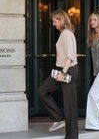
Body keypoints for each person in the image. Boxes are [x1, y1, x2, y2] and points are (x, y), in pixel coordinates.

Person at [38, 9, 79, 139]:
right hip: (60, 69)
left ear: (61, 20)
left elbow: (70, 56)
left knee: (69, 104)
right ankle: (58, 118)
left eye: (55, 21)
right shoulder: (63, 34)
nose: (54, 23)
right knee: (42, 90)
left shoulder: (67, 34)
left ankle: (72, 137)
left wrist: (63, 72)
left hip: (68, 70)